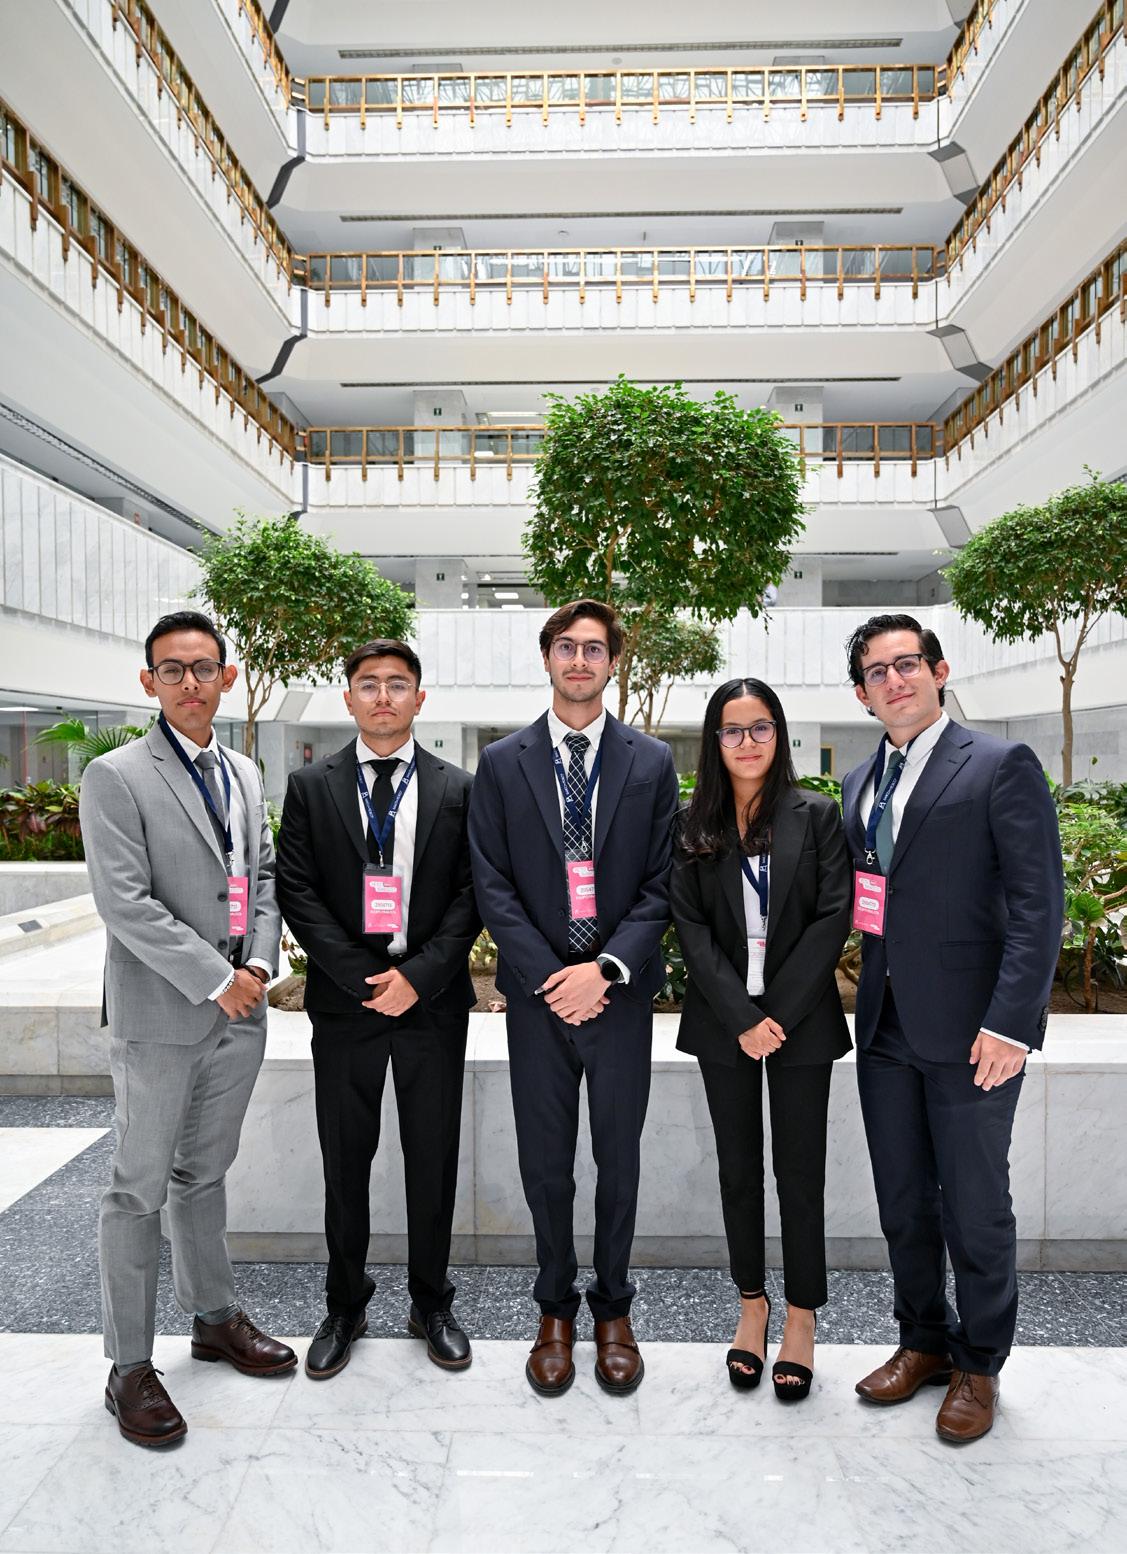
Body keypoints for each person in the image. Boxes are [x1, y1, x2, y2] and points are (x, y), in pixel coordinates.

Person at [841, 613, 1062, 1443]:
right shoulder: (860, 781)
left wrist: (1010, 1025)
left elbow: (1038, 906)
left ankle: (978, 1364)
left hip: (975, 1035)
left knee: (974, 1207)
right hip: (884, 1028)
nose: (894, 680)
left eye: (907, 664)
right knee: (902, 1203)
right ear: (860, 694)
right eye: (877, 671)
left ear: (937, 672)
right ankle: (922, 1341)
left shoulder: (999, 765)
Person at [80, 610, 294, 1449]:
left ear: (226, 677)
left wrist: (259, 967)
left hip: (242, 1009)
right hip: (164, 1015)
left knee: (203, 1175)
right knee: (137, 1187)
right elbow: (125, 902)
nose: (189, 683)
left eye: (203, 668)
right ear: (149, 682)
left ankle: (212, 1317)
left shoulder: (241, 770)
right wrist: (215, 978)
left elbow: (262, 876)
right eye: (172, 670)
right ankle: (128, 1365)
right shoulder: (116, 775)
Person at [468, 600, 679, 1396]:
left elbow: (662, 883)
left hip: (618, 998)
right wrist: (552, 978)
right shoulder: (502, 762)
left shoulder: (651, 761)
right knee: (545, 1163)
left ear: (613, 661)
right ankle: (553, 1309)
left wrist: (606, 970)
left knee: (617, 1160)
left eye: (594, 648)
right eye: (566, 647)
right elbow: (491, 883)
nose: (580, 660)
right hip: (536, 1000)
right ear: (547, 658)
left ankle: (613, 1309)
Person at [276, 639, 479, 1380]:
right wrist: (366, 978)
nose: (383, 697)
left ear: (420, 698)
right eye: (369, 684)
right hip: (345, 1005)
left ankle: (431, 1303)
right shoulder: (310, 786)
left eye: (398, 684)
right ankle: (345, 1304)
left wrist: (417, 978)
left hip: (431, 1004)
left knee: (433, 1156)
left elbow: (474, 893)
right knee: (345, 1160)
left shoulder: (459, 788)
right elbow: (297, 890)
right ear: (348, 698)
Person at [671, 678, 851, 1401]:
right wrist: (742, 1018)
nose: (746, 742)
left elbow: (833, 916)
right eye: (731, 730)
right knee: (738, 1171)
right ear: (713, 741)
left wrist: (775, 1012)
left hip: (801, 1022)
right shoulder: (692, 823)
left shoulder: (817, 814)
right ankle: (752, 1306)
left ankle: (801, 1318)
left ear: (778, 734)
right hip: (724, 1024)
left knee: (800, 1174)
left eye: (760, 728)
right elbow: (688, 925)